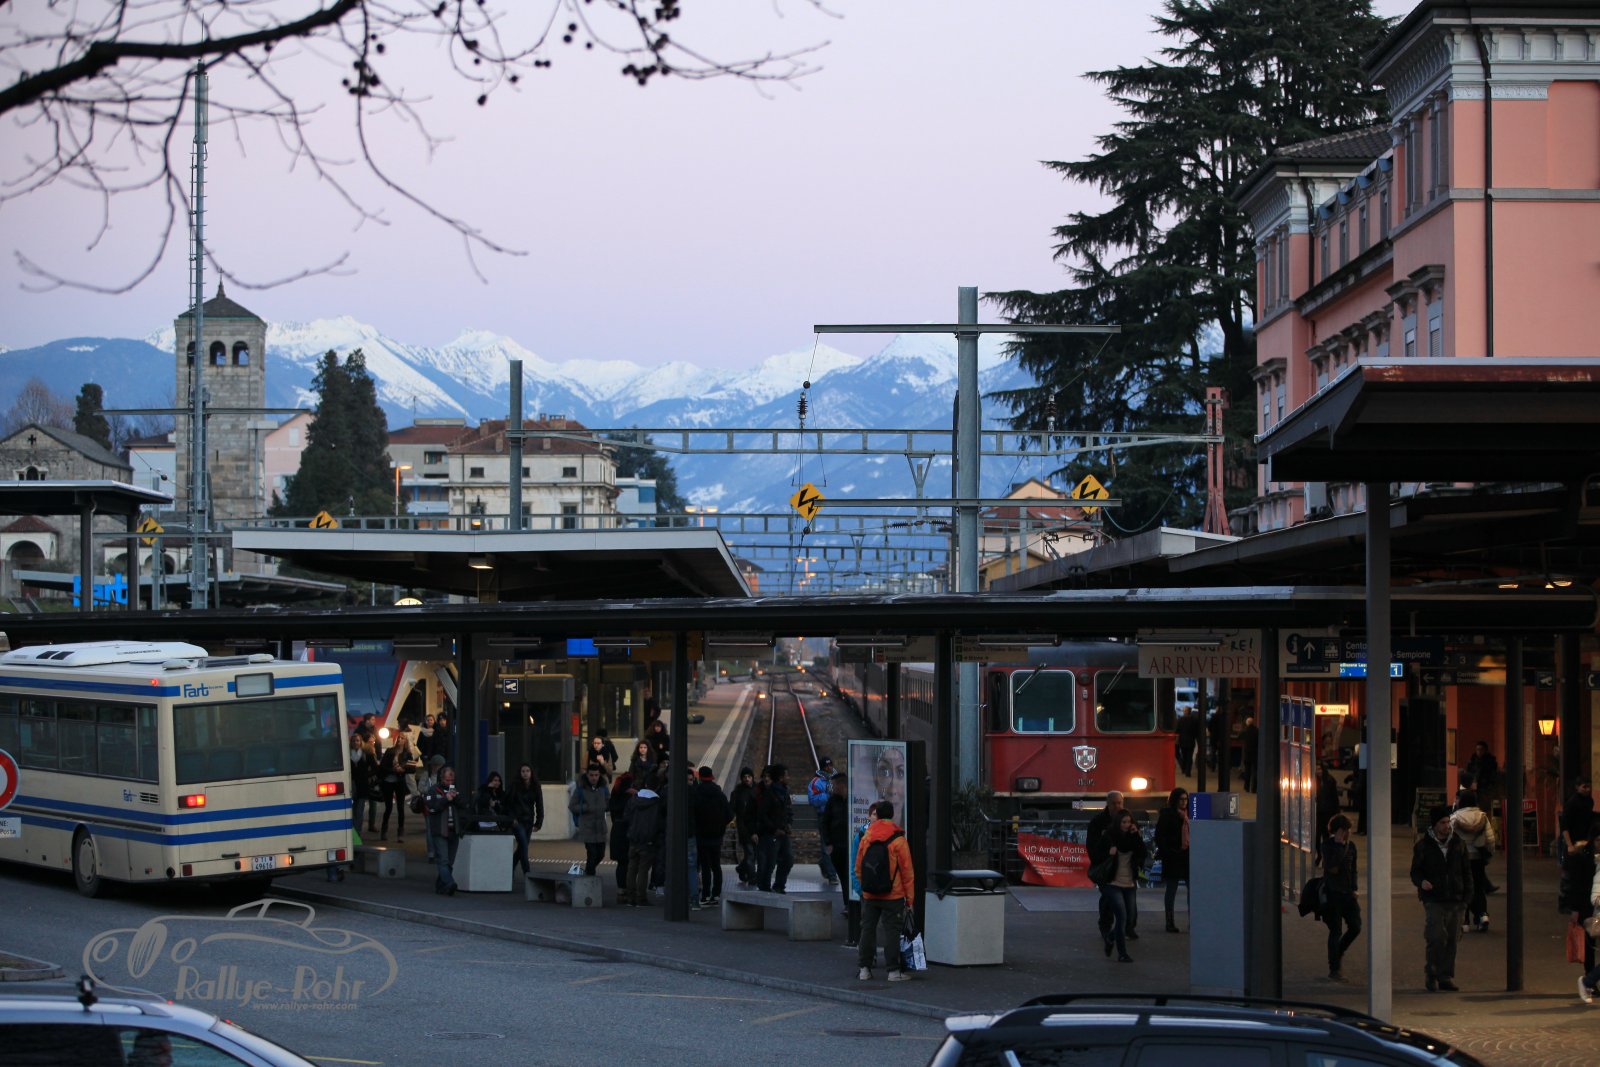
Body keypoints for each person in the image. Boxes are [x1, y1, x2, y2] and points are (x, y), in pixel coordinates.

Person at [1410, 805, 1471, 992]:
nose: (1447, 826)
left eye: (1448, 822)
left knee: (1452, 939)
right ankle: (1432, 973)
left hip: (1455, 898)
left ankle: (1445, 976)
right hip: (1434, 898)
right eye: (1443, 822)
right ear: (1435, 825)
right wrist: (1422, 882)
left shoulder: (1458, 844)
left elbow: (1466, 872)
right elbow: (1415, 872)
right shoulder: (1423, 846)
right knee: (1436, 937)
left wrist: (1467, 898)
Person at [854, 799, 914, 982]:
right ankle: (893, 971)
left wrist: (865, 887)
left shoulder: (866, 837)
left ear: (877, 815)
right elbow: (907, 872)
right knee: (892, 931)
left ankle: (864, 969)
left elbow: (858, 867)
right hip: (893, 894)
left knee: (867, 929)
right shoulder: (899, 840)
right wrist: (910, 900)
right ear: (892, 815)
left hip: (870, 894)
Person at [1099, 808, 1145, 963]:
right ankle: (1122, 953)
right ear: (1118, 823)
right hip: (1113, 883)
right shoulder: (1109, 836)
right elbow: (1097, 855)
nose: (1127, 825)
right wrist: (1108, 853)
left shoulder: (1133, 837)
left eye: (1129, 822)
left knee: (1129, 918)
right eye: (1124, 822)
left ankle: (1110, 938)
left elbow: (1143, 853)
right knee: (1121, 917)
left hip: (1129, 883)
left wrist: (1137, 835)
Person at [1086, 791, 1132, 942]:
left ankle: (1125, 928)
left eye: (1119, 803)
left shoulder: (1128, 820)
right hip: (1106, 867)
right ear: (1108, 804)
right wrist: (1102, 857)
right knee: (1108, 898)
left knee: (1126, 900)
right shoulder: (1097, 822)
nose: (1117, 806)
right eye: (1114, 803)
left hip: (1124, 867)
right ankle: (1106, 927)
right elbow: (1092, 846)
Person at [1450, 788, 1497, 934]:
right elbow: (1490, 839)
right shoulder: (1482, 817)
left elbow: (1448, 838)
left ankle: (1464, 920)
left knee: (1462, 888)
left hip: (1460, 858)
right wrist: (1489, 854)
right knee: (1478, 887)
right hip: (1477, 858)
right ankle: (1482, 915)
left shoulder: (1455, 818)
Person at [1321, 814, 1361, 982]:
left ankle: (1339, 952)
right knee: (1335, 930)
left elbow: (1354, 869)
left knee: (1356, 926)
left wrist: (1354, 888)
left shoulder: (1351, 846)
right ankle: (1334, 967)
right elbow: (1332, 867)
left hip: (1348, 894)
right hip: (1333, 894)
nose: (1348, 833)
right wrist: (1338, 844)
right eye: (1346, 830)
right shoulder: (1327, 845)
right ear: (1339, 831)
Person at [822, 770, 860, 947]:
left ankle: (852, 904)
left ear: (842, 785)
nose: (833, 787)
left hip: (851, 845)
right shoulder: (832, 801)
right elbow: (825, 822)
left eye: (835, 784)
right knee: (844, 876)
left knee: (850, 875)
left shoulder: (854, 800)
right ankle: (848, 903)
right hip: (837, 845)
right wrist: (828, 842)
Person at [424, 765, 471, 895]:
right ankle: (450, 883)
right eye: (447, 780)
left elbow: (465, 805)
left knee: (450, 861)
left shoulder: (455, 790)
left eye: (452, 780)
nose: (450, 783)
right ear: (441, 778)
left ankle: (441, 886)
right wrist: (446, 799)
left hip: (454, 830)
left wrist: (456, 798)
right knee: (443, 859)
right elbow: (432, 808)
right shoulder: (433, 790)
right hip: (440, 830)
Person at [623, 770, 665, 907]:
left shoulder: (634, 799)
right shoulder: (657, 803)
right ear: (657, 787)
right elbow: (659, 823)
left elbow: (626, 817)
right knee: (643, 870)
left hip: (633, 838)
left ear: (645, 784)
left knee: (631, 868)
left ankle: (630, 896)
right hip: (648, 841)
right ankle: (641, 898)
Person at [694, 766, 733, 905]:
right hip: (717, 835)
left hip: (701, 835)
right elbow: (730, 814)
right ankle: (716, 894)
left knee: (705, 866)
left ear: (700, 777)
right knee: (716, 865)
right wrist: (720, 825)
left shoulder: (696, 793)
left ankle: (705, 895)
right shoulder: (719, 794)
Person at [754, 763, 794, 894]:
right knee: (769, 862)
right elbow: (762, 815)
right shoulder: (769, 793)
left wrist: (789, 824)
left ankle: (779, 885)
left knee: (788, 859)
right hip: (771, 834)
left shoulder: (785, 792)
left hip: (783, 833)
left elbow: (789, 811)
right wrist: (773, 829)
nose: (789, 778)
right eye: (787, 775)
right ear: (780, 778)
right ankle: (764, 887)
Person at [1153, 787, 1188, 934]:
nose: (1184, 802)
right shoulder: (1167, 815)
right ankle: (1169, 922)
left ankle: (1193, 920)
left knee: (1192, 889)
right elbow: (1160, 836)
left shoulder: (1189, 815)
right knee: (1171, 889)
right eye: (1181, 799)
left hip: (1187, 855)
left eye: (1185, 799)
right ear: (1175, 800)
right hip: (1173, 856)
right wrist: (1167, 852)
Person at [1575, 818, 1600, 1004]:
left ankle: (1588, 981)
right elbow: (1594, 894)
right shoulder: (1586, 858)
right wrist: (1575, 909)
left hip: (1593, 910)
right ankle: (1588, 981)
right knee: (1589, 946)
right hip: (1590, 910)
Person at [570, 763, 609, 877]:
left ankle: (587, 873)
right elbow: (572, 806)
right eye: (591, 775)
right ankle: (590, 878)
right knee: (592, 854)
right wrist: (585, 808)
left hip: (600, 827)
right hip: (587, 827)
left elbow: (608, 801)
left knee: (600, 854)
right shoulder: (581, 789)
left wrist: (605, 806)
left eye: (596, 775)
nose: (594, 778)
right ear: (587, 775)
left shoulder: (603, 788)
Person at [377, 731, 417, 842]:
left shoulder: (407, 754)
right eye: (398, 738)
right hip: (388, 781)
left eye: (402, 738)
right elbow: (382, 767)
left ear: (405, 741)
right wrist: (393, 770)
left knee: (400, 807)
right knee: (388, 807)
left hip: (400, 781)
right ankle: (384, 830)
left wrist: (403, 770)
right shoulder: (390, 751)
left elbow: (412, 769)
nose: (399, 740)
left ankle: (400, 833)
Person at [507, 763, 545, 876]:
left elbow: (539, 805)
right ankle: (527, 873)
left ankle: (510, 869)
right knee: (523, 845)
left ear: (531, 773)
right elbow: (508, 803)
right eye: (523, 771)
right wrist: (512, 818)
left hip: (528, 820)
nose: (525, 773)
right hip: (517, 821)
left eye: (527, 771)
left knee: (522, 847)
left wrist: (538, 822)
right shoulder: (514, 786)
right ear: (520, 773)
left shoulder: (535, 786)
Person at [808, 757, 839, 886]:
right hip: (824, 817)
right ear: (823, 768)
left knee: (837, 844)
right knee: (826, 845)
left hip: (837, 816)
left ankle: (824, 863)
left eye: (831, 765)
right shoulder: (816, 782)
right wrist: (828, 795)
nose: (829, 768)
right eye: (827, 766)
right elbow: (813, 800)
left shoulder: (837, 779)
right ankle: (832, 875)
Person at [608, 766, 636, 895]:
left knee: (621, 863)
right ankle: (629, 889)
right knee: (630, 863)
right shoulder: (632, 797)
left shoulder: (615, 795)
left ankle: (621, 889)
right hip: (628, 831)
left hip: (617, 830)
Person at [730, 766, 759, 887]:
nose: (747, 779)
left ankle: (742, 868)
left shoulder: (758, 790)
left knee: (753, 854)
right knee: (750, 853)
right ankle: (752, 878)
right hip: (743, 827)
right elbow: (732, 809)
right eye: (745, 777)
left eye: (749, 777)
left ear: (752, 777)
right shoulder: (737, 792)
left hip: (756, 827)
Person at [416, 754, 447, 862]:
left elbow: (420, 788)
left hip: (436, 804)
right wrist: (433, 791)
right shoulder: (429, 775)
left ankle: (433, 852)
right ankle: (433, 853)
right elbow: (420, 788)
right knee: (431, 829)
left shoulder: (430, 775)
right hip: (431, 805)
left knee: (432, 829)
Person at [1562, 777, 1594, 863]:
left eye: (1589, 787)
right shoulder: (1572, 802)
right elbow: (1564, 824)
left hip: (1585, 841)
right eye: (1584, 787)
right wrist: (1569, 845)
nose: (1588, 789)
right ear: (1577, 787)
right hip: (1573, 841)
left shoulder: (1589, 800)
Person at [1315, 764, 1341, 852]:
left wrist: (1336, 812)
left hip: (1327, 812)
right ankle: (1320, 853)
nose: (1318, 771)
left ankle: (1324, 853)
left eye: (1319, 769)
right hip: (1319, 811)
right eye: (1316, 769)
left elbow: (1334, 797)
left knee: (1325, 833)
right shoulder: (1314, 780)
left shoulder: (1330, 781)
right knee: (1318, 834)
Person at [1175, 710, 1200, 778]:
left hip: (1182, 741)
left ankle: (1184, 769)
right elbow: (1197, 731)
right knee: (1189, 756)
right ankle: (1188, 771)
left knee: (1184, 756)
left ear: (1185, 712)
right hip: (1191, 741)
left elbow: (1177, 730)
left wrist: (1177, 739)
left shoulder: (1180, 720)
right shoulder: (1195, 721)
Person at [1239, 715, 1259, 793]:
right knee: (1255, 772)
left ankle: (1246, 787)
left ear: (1247, 723)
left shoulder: (1245, 731)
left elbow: (1239, 736)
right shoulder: (1257, 731)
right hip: (1255, 753)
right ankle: (1254, 788)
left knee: (1247, 771)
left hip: (1247, 754)